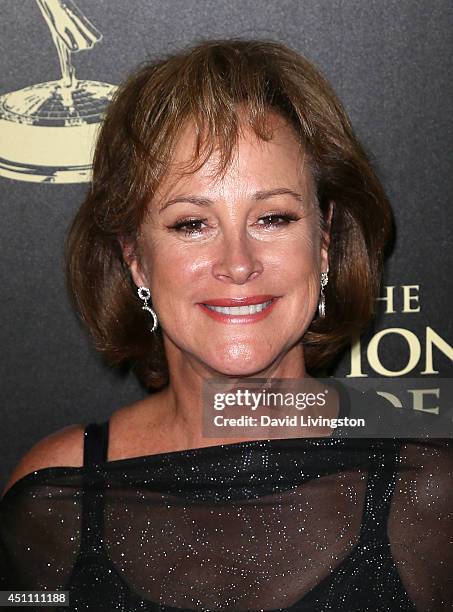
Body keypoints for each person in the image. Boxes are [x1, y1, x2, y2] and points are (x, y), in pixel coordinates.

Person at [0, 39, 451, 611]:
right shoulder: (53, 493)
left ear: (326, 242)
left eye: (273, 217)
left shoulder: (431, 483)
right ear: (135, 256)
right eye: (191, 223)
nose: (238, 263)